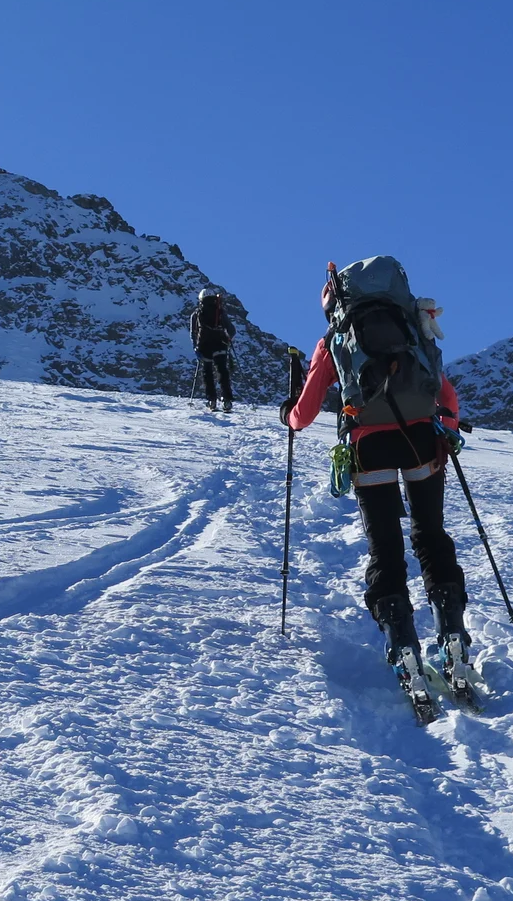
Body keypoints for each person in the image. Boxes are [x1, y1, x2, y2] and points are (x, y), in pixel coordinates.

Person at [278, 257, 472, 702]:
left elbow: (303, 414)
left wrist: (287, 415)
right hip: (424, 442)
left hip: (369, 448)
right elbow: (446, 393)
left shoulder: (333, 341)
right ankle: (454, 636)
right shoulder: (411, 329)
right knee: (431, 536)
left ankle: (403, 644)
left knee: (385, 547)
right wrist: (450, 432)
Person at [190, 287, 237, 412]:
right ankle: (227, 400)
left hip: (204, 346)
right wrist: (227, 340)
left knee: (207, 373)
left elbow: (193, 333)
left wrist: (196, 347)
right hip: (220, 344)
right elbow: (232, 330)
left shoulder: (196, 314)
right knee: (222, 371)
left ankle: (212, 400)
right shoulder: (220, 311)